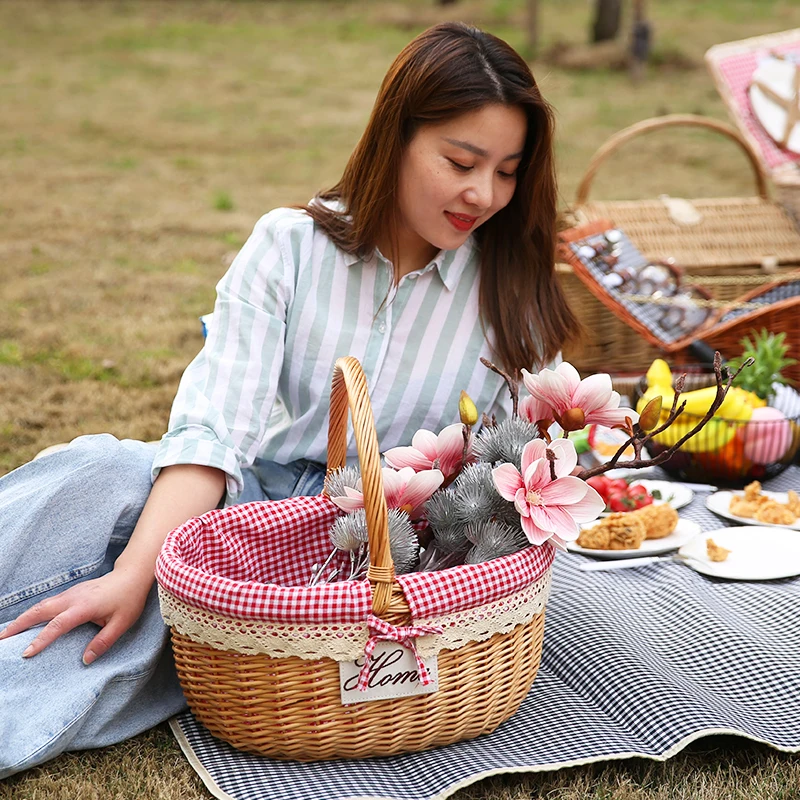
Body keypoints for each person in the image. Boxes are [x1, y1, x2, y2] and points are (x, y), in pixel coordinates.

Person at [0, 21, 580, 777]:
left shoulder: (512, 295)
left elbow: (529, 473)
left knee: (150, 626)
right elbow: (215, 431)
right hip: (241, 500)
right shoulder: (289, 248)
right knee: (100, 476)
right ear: (394, 139)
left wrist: (148, 587)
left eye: (507, 171)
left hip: (369, 551)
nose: (484, 194)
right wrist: (138, 567)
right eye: (461, 162)